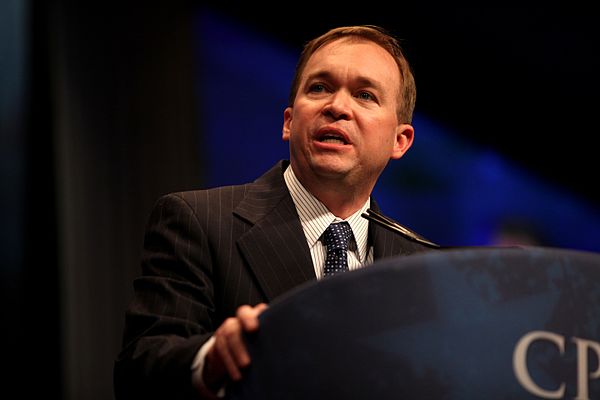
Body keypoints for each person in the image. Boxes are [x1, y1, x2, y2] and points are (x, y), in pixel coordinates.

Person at [113, 24, 439, 399]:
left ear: (400, 141)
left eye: (365, 95)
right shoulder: (197, 221)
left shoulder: (422, 267)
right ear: (289, 122)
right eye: (319, 88)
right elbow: (140, 371)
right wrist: (211, 360)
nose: (337, 106)